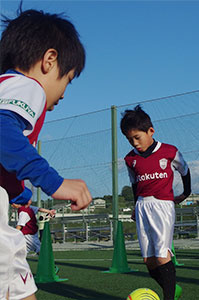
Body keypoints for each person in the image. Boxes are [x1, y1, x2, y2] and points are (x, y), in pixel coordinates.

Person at [0, 8, 92, 300]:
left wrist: (17, 192)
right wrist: (54, 182)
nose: (63, 93)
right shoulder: (28, 86)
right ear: (49, 60)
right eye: (68, 79)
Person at [121, 105, 191, 300]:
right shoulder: (130, 159)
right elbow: (135, 185)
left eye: (137, 137)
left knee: (162, 256)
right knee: (149, 261)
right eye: (129, 139)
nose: (134, 143)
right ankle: (171, 288)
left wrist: (186, 193)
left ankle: (168, 296)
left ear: (150, 131)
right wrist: (135, 206)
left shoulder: (169, 151)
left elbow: (185, 171)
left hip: (162, 205)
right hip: (142, 206)